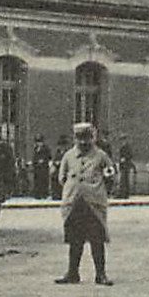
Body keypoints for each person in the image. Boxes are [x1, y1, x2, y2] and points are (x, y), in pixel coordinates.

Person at [56, 122, 116, 286]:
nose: (83, 143)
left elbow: (111, 178)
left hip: (94, 204)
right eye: (80, 139)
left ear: (93, 138)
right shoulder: (68, 156)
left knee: (97, 240)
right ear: (75, 139)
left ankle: (101, 274)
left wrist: (100, 193)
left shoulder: (101, 157)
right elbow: (61, 178)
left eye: (87, 138)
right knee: (75, 240)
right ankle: (72, 273)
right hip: (74, 203)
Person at [31, 135, 52, 200]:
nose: (39, 143)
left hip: (44, 168)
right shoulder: (36, 149)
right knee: (37, 181)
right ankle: (37, 194)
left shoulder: (46, 148)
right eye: (37, 142)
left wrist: (43, 160)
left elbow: (49, 157)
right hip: (37, 168)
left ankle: (44, 194)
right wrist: (35, 162)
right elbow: (34, 157)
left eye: (40, 142)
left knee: (44, 181)